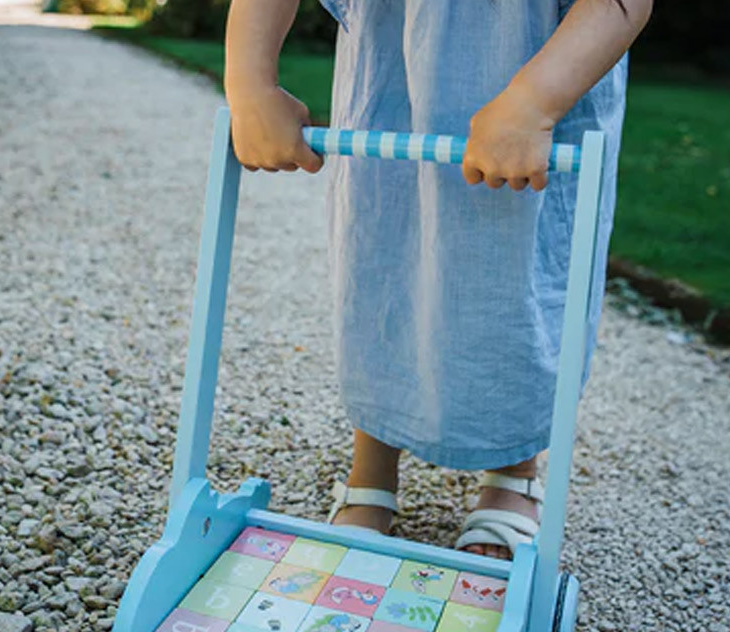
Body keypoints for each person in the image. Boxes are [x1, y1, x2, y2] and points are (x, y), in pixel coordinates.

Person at [224, 0, 651, 559]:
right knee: (381, 265)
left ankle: (512, 467)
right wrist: (251, 85)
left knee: (511, 275)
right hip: (393, 80)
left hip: (541, 80)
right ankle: (372, 461)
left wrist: (533, 102)